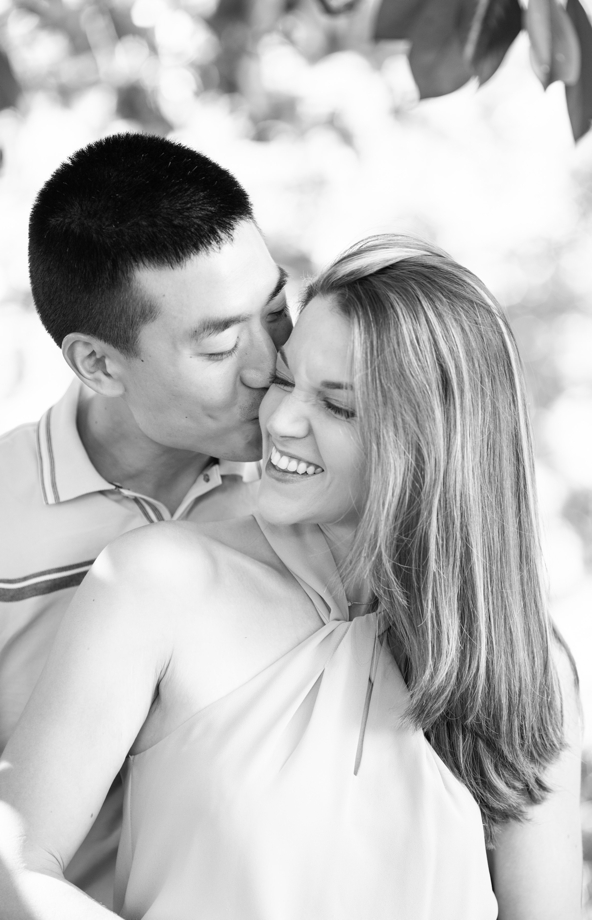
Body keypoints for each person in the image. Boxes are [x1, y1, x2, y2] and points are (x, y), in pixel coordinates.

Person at [0, 236, 583, 918]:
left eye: (336, 407)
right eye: (283, 378)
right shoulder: (157, 582)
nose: (279, 419)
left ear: (431, 444)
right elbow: (17, 861)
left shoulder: (522, 660)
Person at [0, 133, 291, 903]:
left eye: (277, 312)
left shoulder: (307, 494)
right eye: (222, 343)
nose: (268, 366)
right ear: (98, 363)